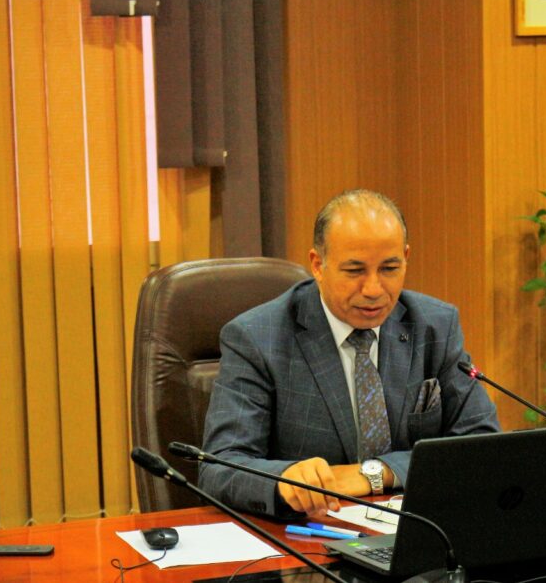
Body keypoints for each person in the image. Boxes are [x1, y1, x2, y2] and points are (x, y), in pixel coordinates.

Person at [198, 190, 500, 518]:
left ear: (406, 257)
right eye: (355, 271)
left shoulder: (435, 325)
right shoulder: (258, 338)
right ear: (318, 264)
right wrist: (285, 480)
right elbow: (220, 468)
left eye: (389, 268)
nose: (373, 289)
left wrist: (374, 473)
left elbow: (482, 445)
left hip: (414, 524)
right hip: (308, 531)